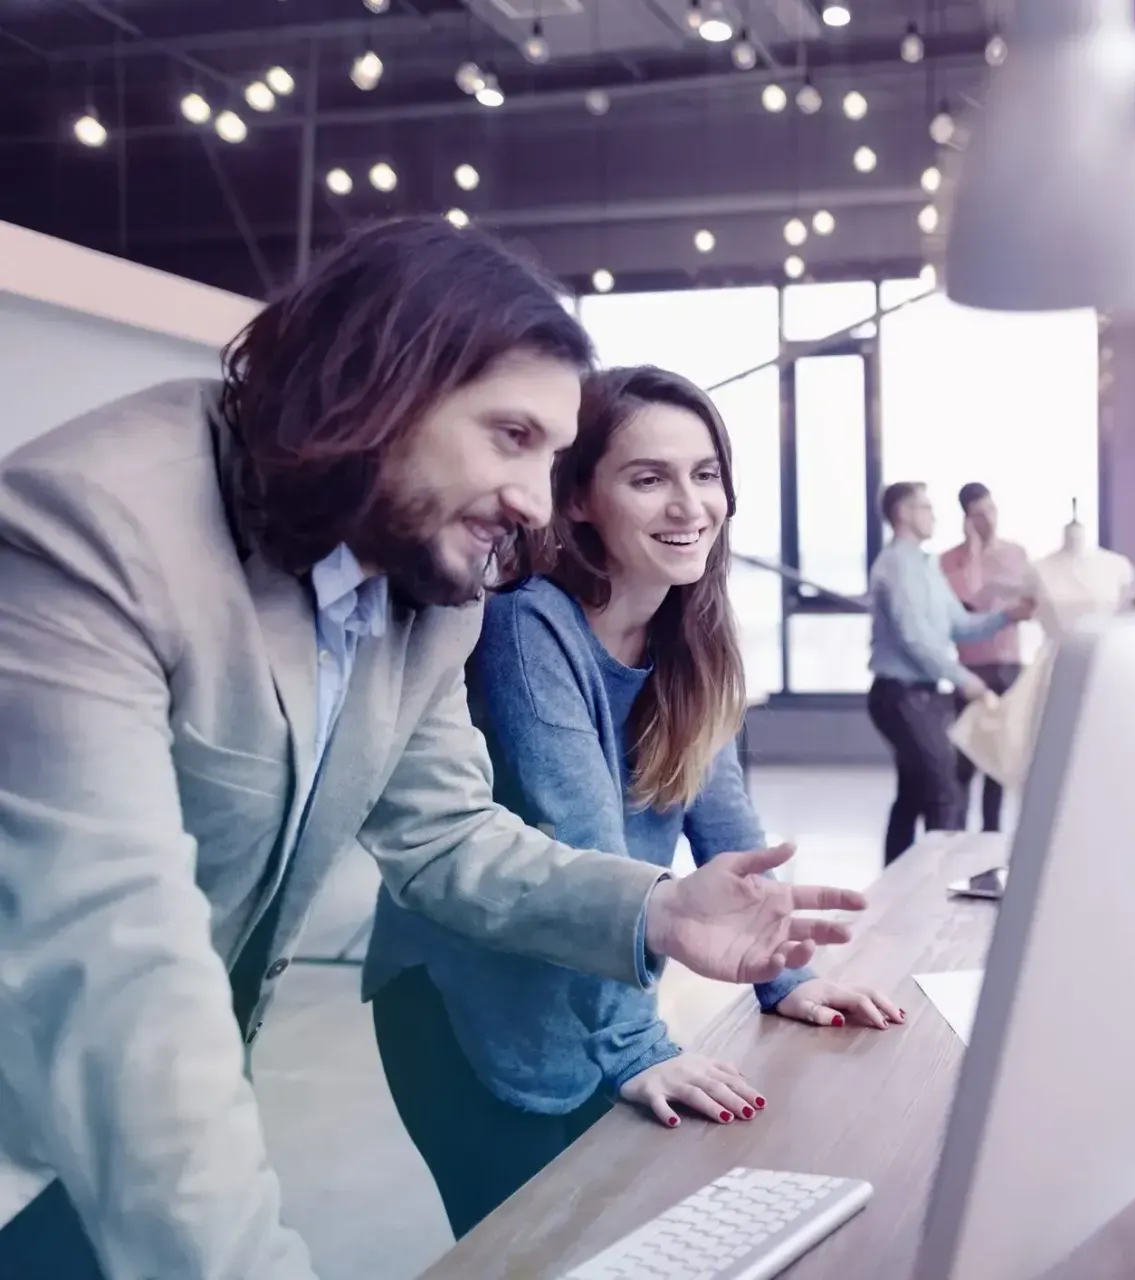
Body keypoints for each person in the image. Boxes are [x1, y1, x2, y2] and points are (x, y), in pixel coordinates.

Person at [0, 219, 864, 1280]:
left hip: (126, 1108)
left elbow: (448, 834)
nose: (537, 503)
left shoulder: (427, 578)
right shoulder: (88, 532)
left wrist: (658, 906)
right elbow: (117, 971)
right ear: (375, 387)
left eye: (552, 459)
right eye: (511, 438)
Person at [364, 365, 907, 1239]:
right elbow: (583, 837)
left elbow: (728, 827)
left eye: (704, 474)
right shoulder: (526, 623)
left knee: (618, 1238)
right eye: (648, 478)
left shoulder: (690, 628)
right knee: (532, 1256)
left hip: (590, 989)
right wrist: (637, 1046)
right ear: (577, 499)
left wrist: (788, 971)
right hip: (470, 1011)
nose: (688, 505)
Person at [868, 481, 1035, 864]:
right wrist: (965, 679)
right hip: (901, 695)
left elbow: (960, 626)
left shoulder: (926, 567)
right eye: (926, 507)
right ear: (904, 514)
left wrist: (1008, 615)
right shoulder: (895, 566)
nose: (934, 515)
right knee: (945, 789)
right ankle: (940, 883)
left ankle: (894, 883)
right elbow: (915, 640)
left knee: (913, 791)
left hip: (923, 694)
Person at [938, 482, 1031, 833]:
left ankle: (992, 835)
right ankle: (957, 837)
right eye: (978, 514)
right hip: (971, 671)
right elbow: (970, 604)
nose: (988, 520)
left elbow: (1029, 606)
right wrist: (974, 553)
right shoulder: (949, 562)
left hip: (1009, 667)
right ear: (966, 519)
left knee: (998, 760)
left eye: (991, 510)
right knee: (965, 761)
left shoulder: (1017, 554)